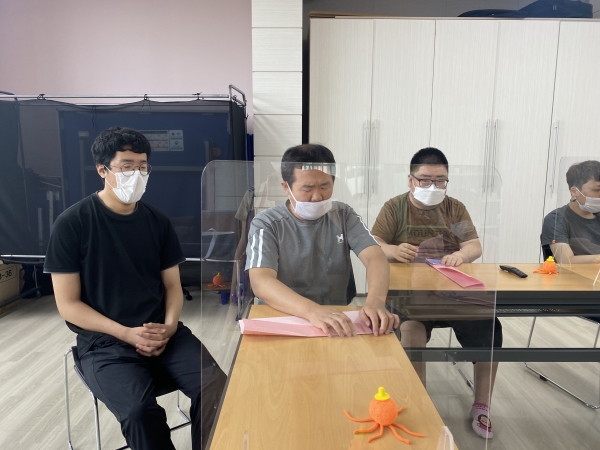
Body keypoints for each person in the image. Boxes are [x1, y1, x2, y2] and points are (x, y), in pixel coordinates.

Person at [44, 127, 226, 450]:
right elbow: (68, 305)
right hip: (105, 343)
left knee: (217, 386)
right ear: (102, 170)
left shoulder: (157, 222)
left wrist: (169, 327)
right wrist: (127, 334)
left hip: (163, 333)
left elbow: (172, 286)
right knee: (139, 411)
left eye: (143, 167)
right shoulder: (72, 224)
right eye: (127, 167)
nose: (137, 175)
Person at [371, 147, 501, 439]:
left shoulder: (454, 208)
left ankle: (482, 405)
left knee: (489, 327)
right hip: (411, 295)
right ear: (410, 180)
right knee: (412, 330)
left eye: (440, 180)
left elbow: (473, 245)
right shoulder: (395, 208)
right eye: (425, 180)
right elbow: (373, 242)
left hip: (454, 293)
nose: (433, 186)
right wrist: (392, 250)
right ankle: (421, 401)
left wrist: (461, 256)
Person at [245, 144, 399, 338]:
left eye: (325, 186)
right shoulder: (266, 223)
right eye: (307, 188)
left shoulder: (343, 214)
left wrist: (375, 302)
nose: (317, 196)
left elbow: (375, 257)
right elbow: (261, 281)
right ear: (286, 188)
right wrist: (312, 311)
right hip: (282, 315)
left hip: (335, 314)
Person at [541, 160, 600, 265]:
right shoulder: (556, 219)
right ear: (574, 191)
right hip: (572, 275)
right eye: (597, 190)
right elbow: (566, 261)